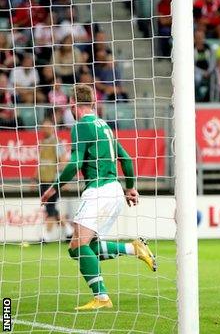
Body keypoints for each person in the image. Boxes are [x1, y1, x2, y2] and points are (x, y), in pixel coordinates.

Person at [40, 85, 156, 310]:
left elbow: (74, 163)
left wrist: (54, 188)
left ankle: (101, 297)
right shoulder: (105, 127)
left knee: (76, 247)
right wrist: (130, 187)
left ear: (73, 104)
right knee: (88, 249)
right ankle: (134, 248)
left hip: (98, 192)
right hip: (113, 191)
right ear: (93, 103)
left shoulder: (81, 125)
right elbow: (127, 158)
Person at [36, 118, 73, 242]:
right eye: (42, 127)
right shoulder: (42, 143)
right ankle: (69, 230)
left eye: (46, 127)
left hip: (52, 181)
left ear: (52, 129)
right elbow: (40, 163)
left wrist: (62, 180)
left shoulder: (57, 143)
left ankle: (45, 236)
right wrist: (34, 179)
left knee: (50, 208)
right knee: (51, 208)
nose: (43, 129)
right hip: (43, 180)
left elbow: (64, 161)